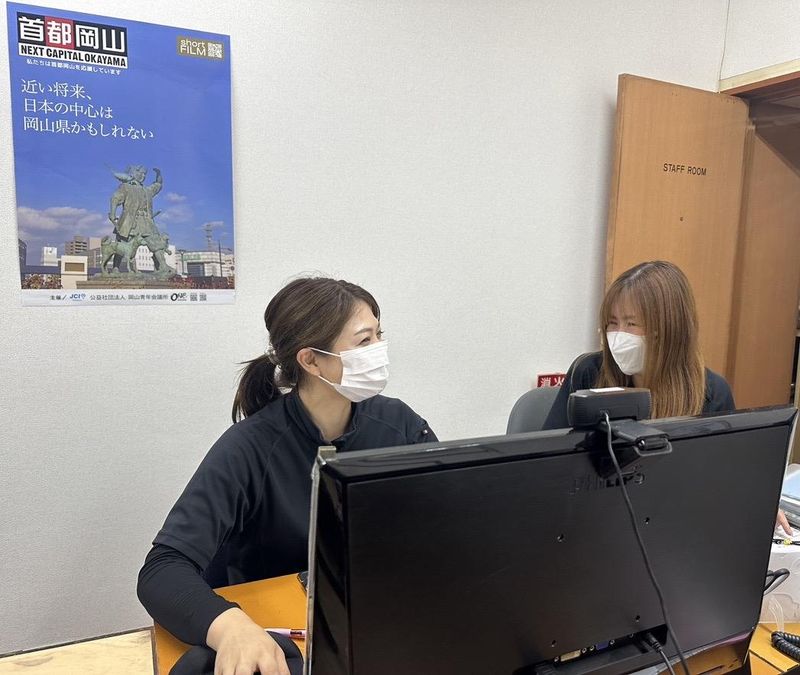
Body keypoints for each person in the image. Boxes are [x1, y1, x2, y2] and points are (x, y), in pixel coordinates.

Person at [137, 277, 436, 675]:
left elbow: (446, 525)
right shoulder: (249, 448)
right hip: (285, 639)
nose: (379, 350)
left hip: (378, 623)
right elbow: (162, 569)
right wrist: (231, 629)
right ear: (311, 361)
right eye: (365, 341)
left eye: (379, 335)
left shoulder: (400, 424)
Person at [541, 260, 792, 534]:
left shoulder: (711, 392)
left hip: (670, 527)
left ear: (667, 329)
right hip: (592, 523)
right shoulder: (588, 372)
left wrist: (754, 500)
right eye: (612, 323)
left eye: (631, 323)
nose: (617, 335)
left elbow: (724, 477)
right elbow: (544, 463)